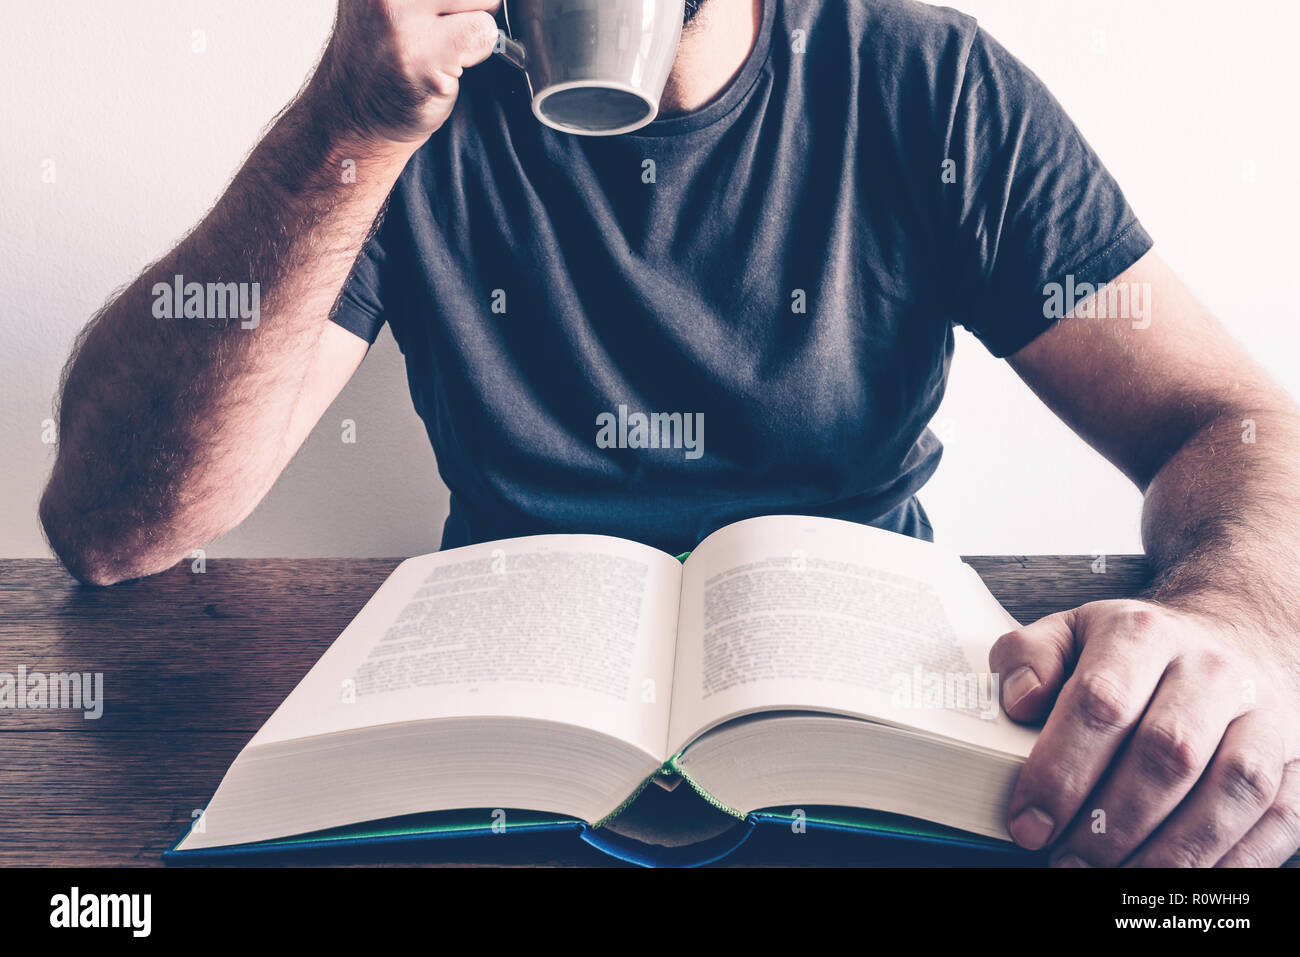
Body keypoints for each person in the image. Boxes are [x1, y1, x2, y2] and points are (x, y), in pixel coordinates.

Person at [39, 0, 1300, 867]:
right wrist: (346, 127)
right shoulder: (398, 117)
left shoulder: (928, 85)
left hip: (865, 746)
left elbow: (1234, 426)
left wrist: (1238, 617)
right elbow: (113, 530)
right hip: (508, 758)